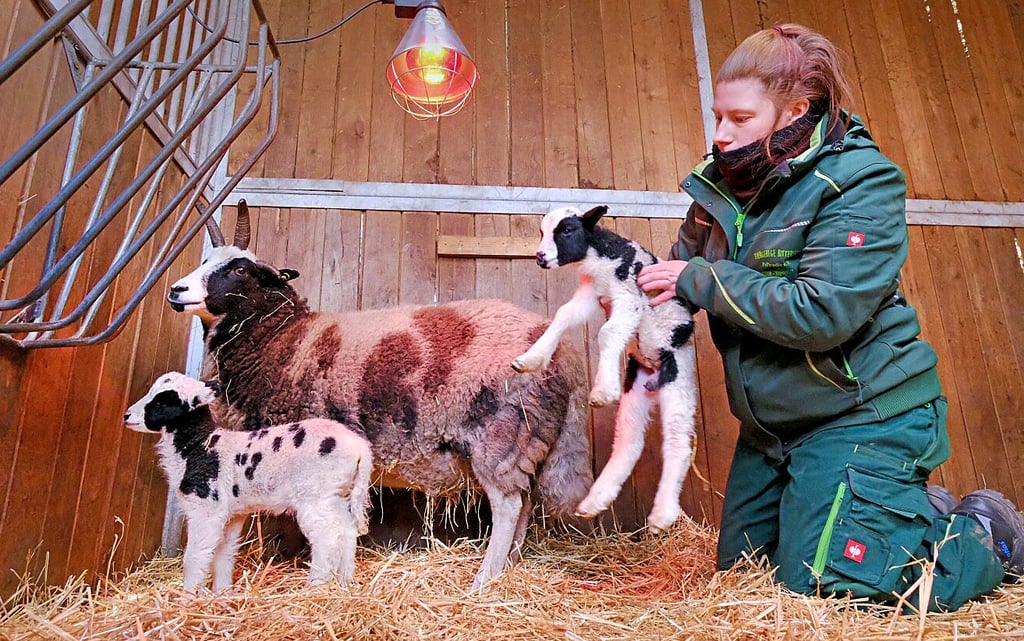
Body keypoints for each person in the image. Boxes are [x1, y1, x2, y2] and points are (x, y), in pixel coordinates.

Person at [635, 23, 1023, 612]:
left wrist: (701, 281)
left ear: (796, 110)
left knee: (820, 591)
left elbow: (823, 311)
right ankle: (899, 516)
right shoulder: (723, 185)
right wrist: (638, 315)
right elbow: (679, 276)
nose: (720, 134)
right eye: (718, 116)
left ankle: (983, 536)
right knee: (743, 584)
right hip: (772, 430)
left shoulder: (860, 181)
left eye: (740, 118)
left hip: (862, 412)